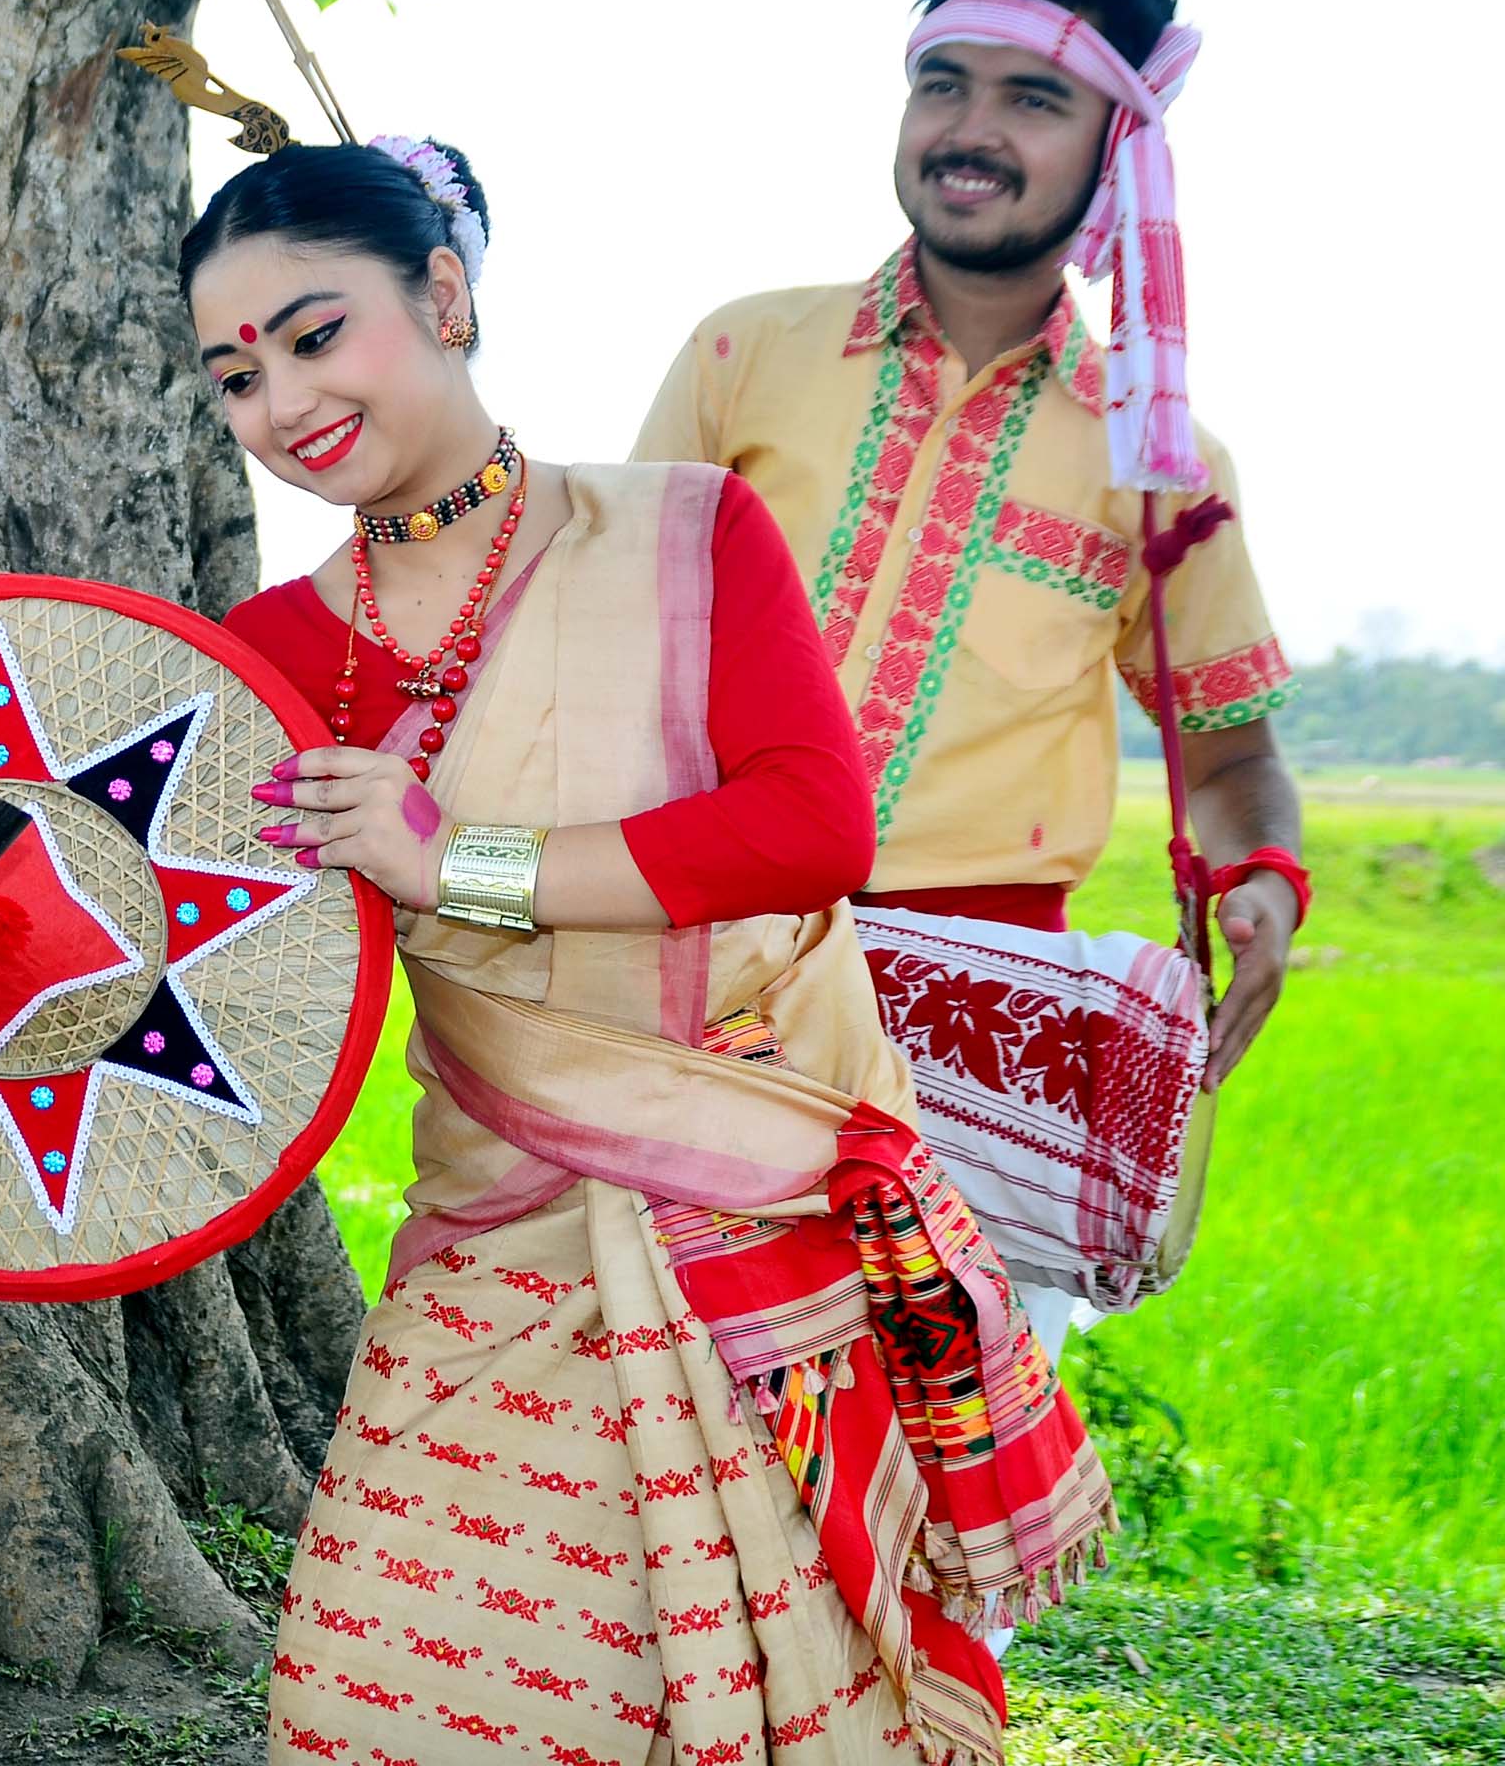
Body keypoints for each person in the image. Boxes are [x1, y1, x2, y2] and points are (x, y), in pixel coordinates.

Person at [190, 135, 1107, 1765]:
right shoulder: (269, 656)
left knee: (772, 1691)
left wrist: (450, 858)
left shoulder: (685, 534)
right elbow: (228, 971)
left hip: (746, 1216)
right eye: (234, 375)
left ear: (447, 296)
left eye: (317, 334)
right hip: (488, 1232)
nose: (282, 402)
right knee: (371, 1690)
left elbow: (812, 827)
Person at [631, 0, 1308, 1352]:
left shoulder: (1160, 455)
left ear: (1117, 144)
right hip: (700, 978)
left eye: (1031, 98)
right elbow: (600, 646)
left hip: (983, 1039)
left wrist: (1259, 879)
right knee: (665, 1437)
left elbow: (1231, 758)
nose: (971, 131)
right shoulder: (745, 356)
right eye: (944, 82)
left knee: (947, 1470)